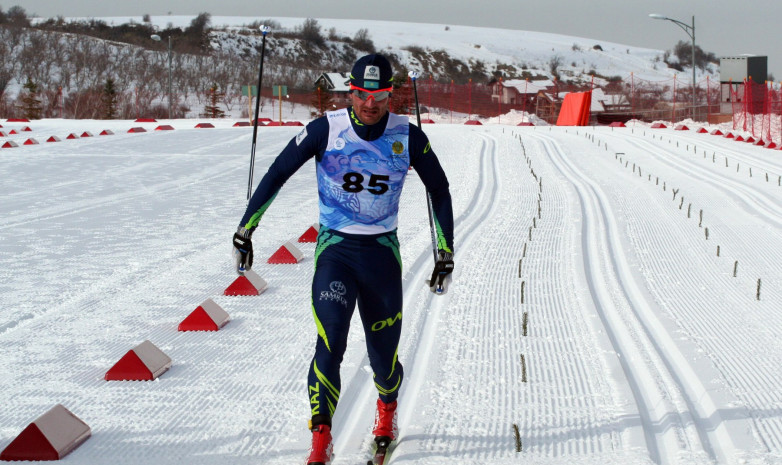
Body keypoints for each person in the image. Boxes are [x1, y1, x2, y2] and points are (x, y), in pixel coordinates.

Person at [231, 54, 454, 465]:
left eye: (380, 95)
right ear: (350, 91)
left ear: (391, 94)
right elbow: (277, 173)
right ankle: (320, 440)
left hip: (381, 256)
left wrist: (445, 252)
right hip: (336, 251)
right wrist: (246, 229)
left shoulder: (409, 136)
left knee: (383, 360)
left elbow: (438, 190)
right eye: (362, 94)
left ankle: (386, 413)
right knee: (330, 340)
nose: (370, 104)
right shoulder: (324, 130)